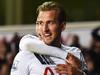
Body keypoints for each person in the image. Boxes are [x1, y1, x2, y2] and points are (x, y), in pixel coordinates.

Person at [10, 1, 87, 75]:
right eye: (40, 23)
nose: (44, 29)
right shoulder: (25, 55)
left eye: (50, 22)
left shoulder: (76, 53)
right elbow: (25, 43)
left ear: (62, 26)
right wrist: (67, 56)